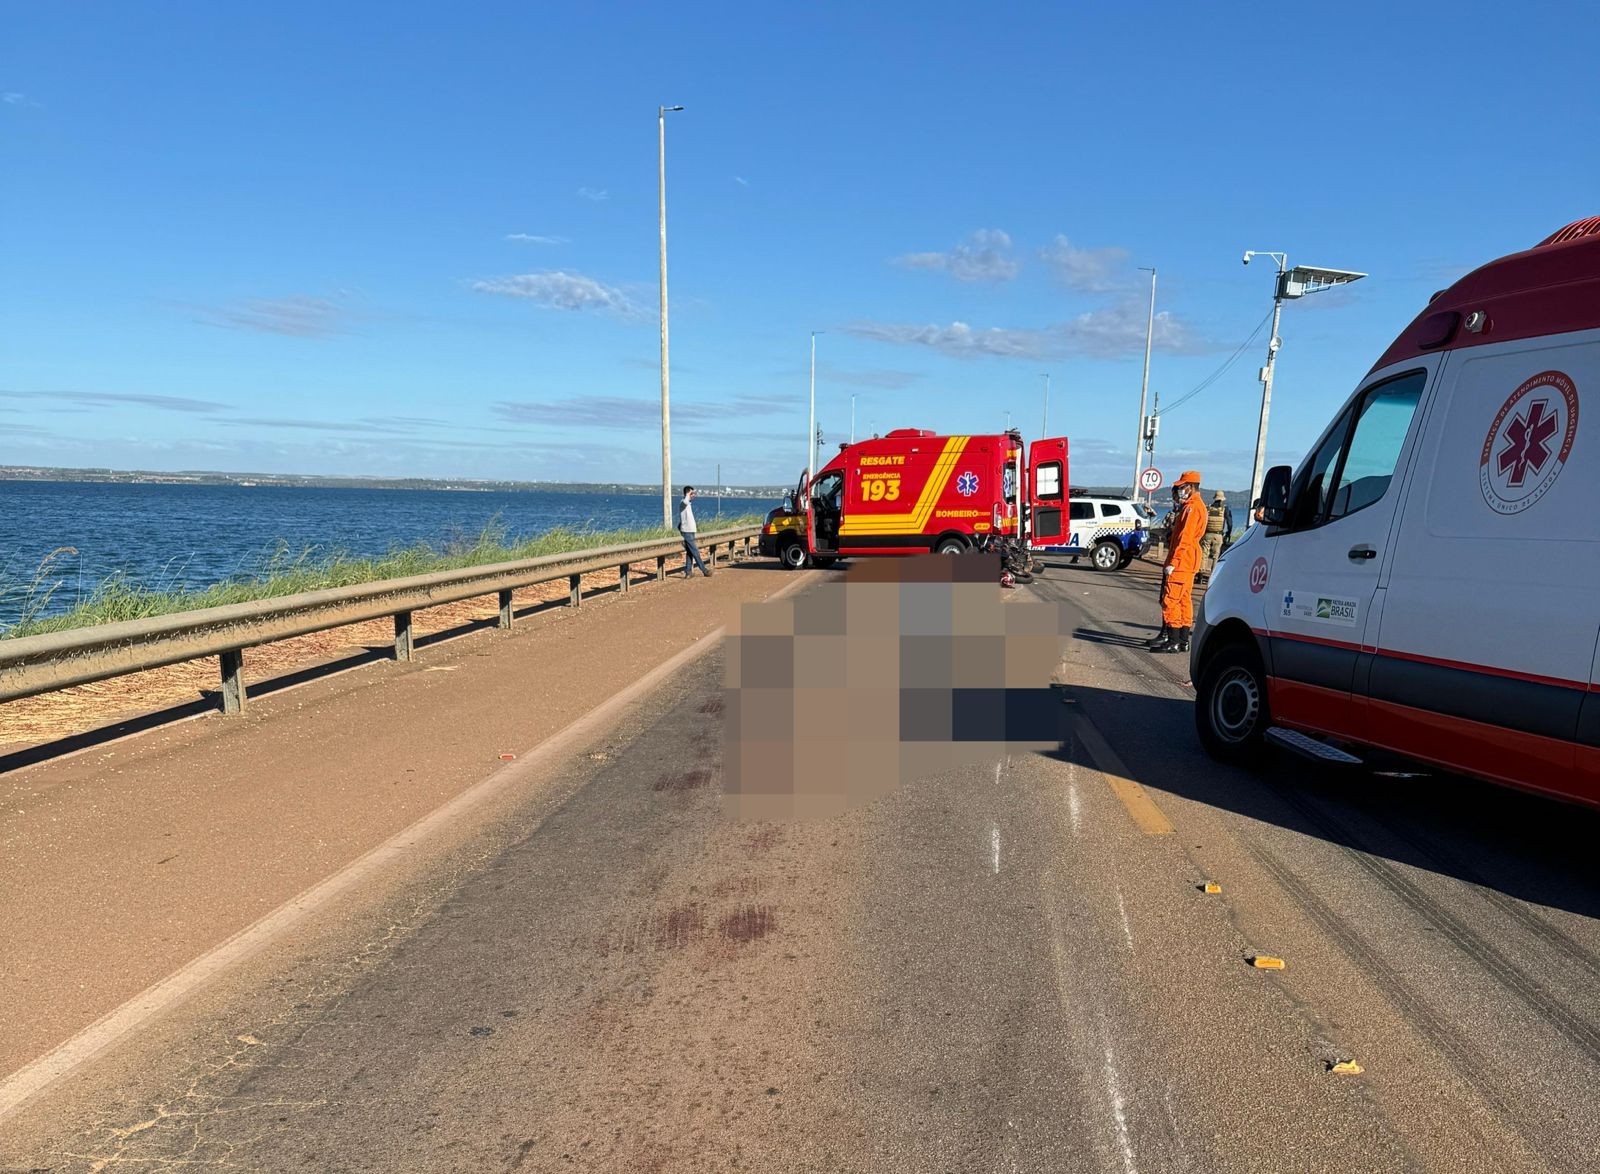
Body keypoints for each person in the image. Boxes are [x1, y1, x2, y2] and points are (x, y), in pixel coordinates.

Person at [1147, 470, 1206, 653]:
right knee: (1184, 600)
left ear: (1190, 486)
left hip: (1183, 560)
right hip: (1189, 559)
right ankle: (1182, 640)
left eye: (1182, 487)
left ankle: (1172, 640)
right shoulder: (1195, 506)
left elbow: (1184, 538)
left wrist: (1173, 561)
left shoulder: (1191, 508)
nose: (1180, 490)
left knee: (1171, 599)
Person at [678, 485, 711, 578]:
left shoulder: (688, 504)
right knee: (695, 551)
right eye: (692, 493)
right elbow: (685, 501)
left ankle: (688, 572)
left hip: (690, 531)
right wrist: (688, 494)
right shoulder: (683, 503)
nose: (694, 495)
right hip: (687, 532)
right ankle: (704, 570)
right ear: (687, 493)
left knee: (690, 552)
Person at [1198, 490, 1232, 580]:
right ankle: (1212, 575)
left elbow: (1202, 521)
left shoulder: (1208, 508)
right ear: (1222, 499)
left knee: (1204, 554)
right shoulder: (1225, 509)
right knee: (1215, 556)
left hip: (1207, 534)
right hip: (1218, 536)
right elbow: (1229, 523)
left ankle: (1200, 574)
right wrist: (1228, 533)